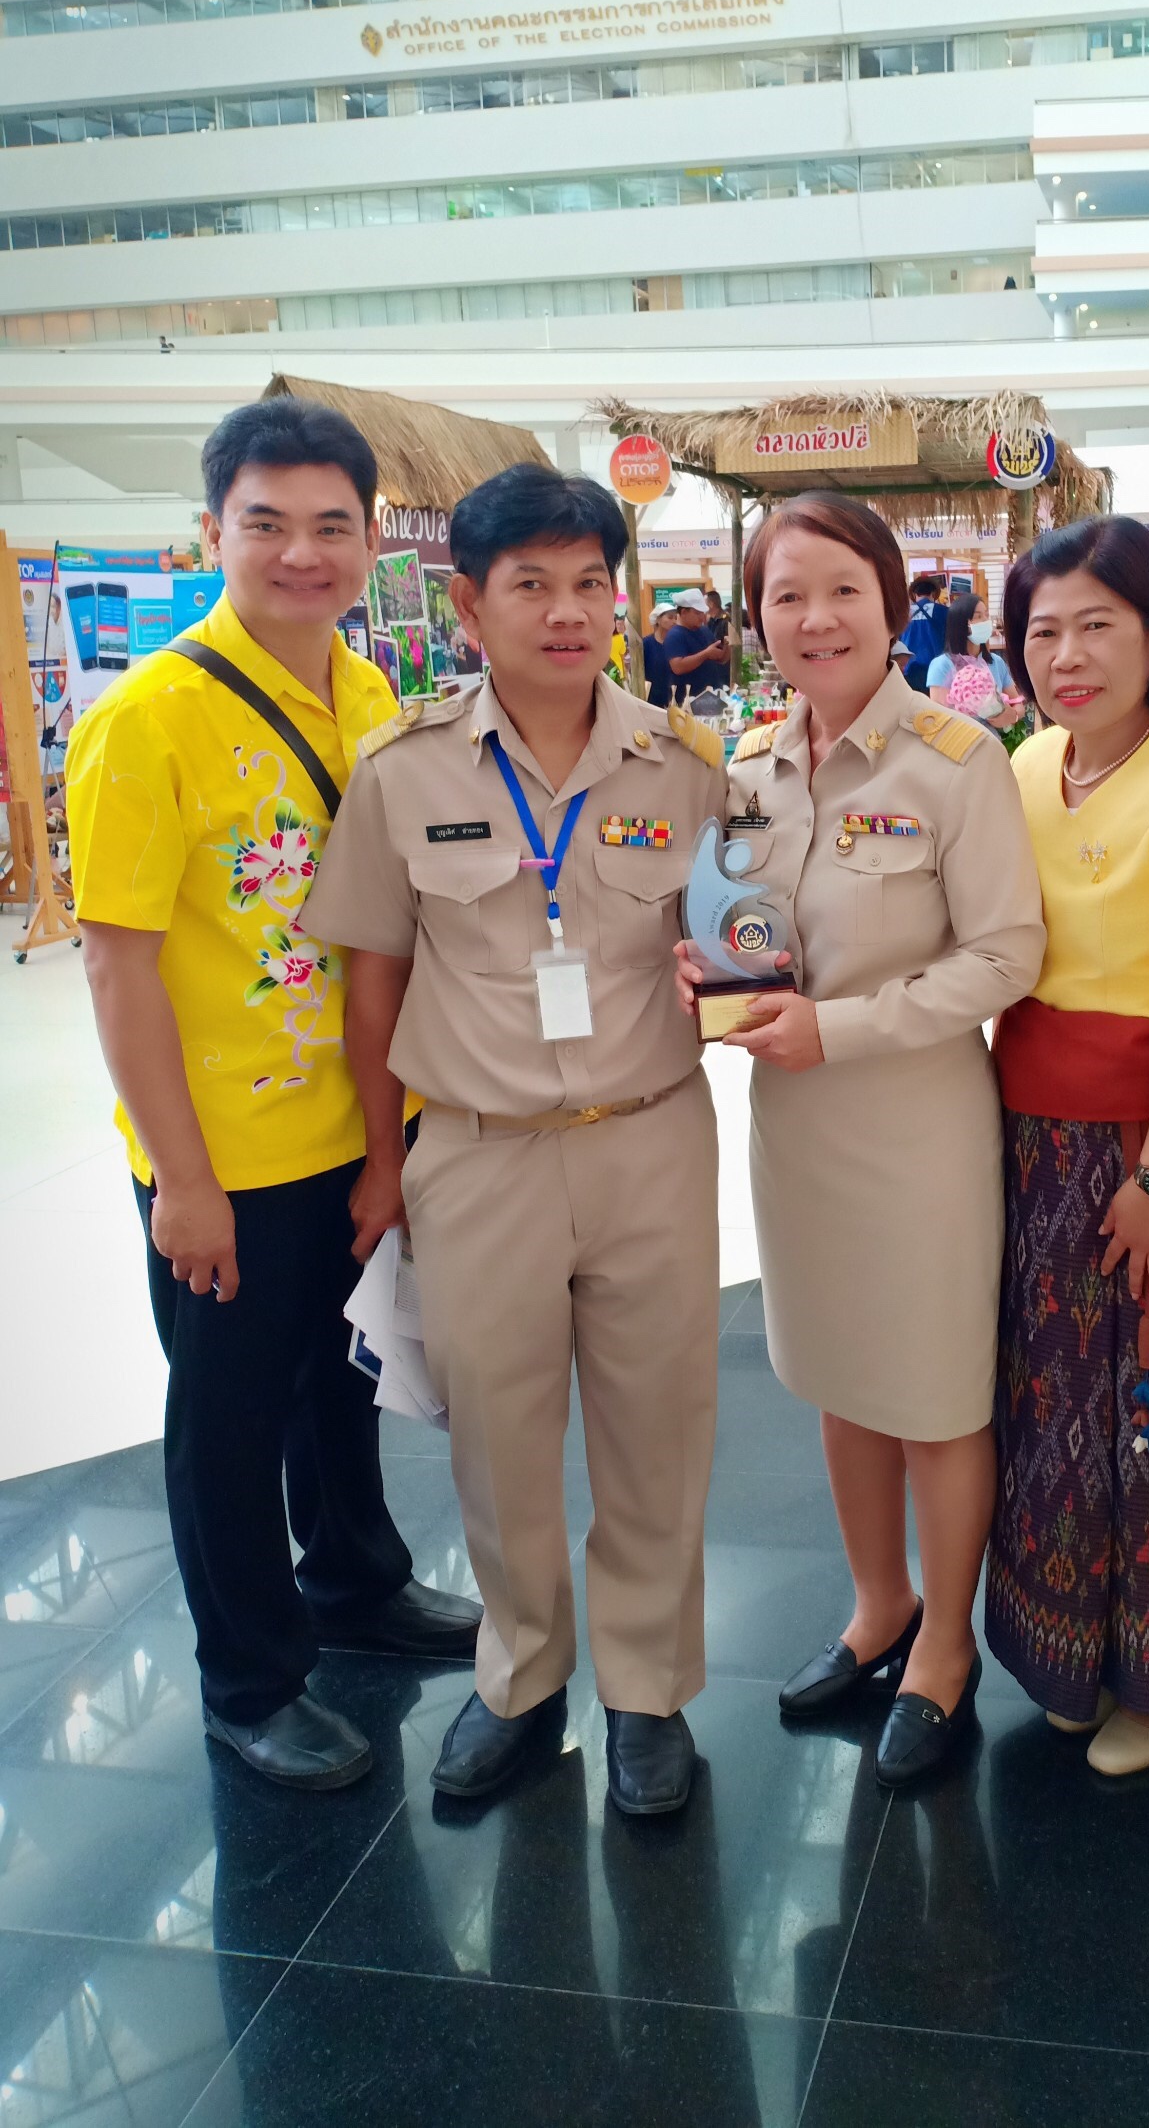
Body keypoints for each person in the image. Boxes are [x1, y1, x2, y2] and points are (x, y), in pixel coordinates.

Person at [65, 397, 481, 1794]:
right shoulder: (147, 722)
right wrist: (181, 1182)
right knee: (228, 1418)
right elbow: (118, 973)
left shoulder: (370, 697)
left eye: (330, 526)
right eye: (266, 525)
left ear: (371, 538)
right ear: (211, 533)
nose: (301, 553)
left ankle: (355, 1579)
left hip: (357, 1128)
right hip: (222, 1155)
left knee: (338, 1380)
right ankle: (249, 1679)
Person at [301, 464, 728, 1815]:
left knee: (660, 1428)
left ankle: (650, 1693)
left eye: (588, 583)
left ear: (620, 598)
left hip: (651, 1139)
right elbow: (370, 974)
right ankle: (523, 1679)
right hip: (476, 1152)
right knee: (495, 1433)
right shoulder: (401, 767)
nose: (564, 611)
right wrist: (385, 1160)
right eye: (529, 584)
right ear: (467, 603)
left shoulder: (685, 765)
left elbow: (735, 944)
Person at [677, 491, 1044, 1788]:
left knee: (936, 1399)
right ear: (756, 615)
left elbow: (1006, 955)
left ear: (893, 603)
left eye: (841, 588)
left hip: (919, 1134)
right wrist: (706, 971)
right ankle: (876, 1603)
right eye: (786, 594)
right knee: (841, 1379)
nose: (814, 617)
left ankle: (946, 1645)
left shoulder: (957, 761)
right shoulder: (752, 768)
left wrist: (839, 1028)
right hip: (796, 1132)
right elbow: (742, 931)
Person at [986, 517, 1149, 1776]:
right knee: (1047, 1405)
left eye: (1098, 624)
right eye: (1043, 629)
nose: (1067, 654)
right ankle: (1059, 1647)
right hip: (1026, 1139)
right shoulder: (1029, 764)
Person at [926, 589, 1024, 731]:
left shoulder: (995, 662)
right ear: (961, 623)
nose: (985, 621)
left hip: (996, 741)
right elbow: (939, 715)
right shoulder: (942, 665)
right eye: (978, 617)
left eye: (986, 615)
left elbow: (1017, 702)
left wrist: (1013, 715)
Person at [661, 587, 726, 702]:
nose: (702, 617)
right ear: (684, 612)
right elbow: (678, 667)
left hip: (712, 695)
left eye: (703, 613)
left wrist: (727, 645)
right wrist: (706, 654)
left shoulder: (704, 630)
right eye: (697, 613)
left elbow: (719, 658)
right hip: (688, 700)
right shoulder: (674, 635)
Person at [900, 574, 948, 693]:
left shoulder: (903, 614)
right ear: (933, 594)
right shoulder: (943, 611)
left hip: (908, 670)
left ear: (915, 595)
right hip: (937, 671)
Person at [641, 602, 675, 708]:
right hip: (652, 699)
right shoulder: (646, 644)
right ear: (658, 620)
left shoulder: (678, 643)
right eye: (670, 617)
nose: (674, 621)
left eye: (675, 618)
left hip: (675, 697)